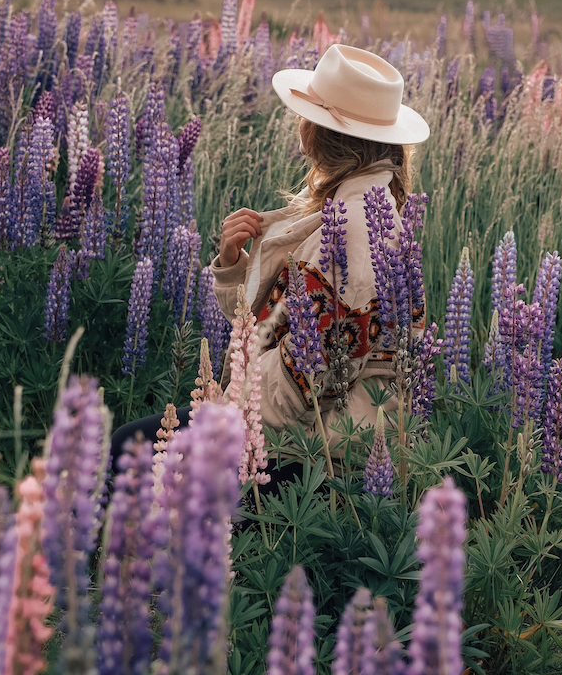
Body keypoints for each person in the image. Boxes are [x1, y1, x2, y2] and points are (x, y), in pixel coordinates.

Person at [109, 43, 430, 475]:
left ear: (324, 134)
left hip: (310, 453)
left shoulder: (353, 232)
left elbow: (301, 392)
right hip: (301, 427)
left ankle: (119, 543)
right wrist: (234, 266)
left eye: (307, 116)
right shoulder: (344, 204)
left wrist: (227, 411)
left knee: (130, 450)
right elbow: (274, 323)